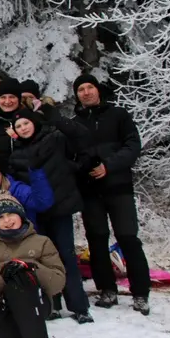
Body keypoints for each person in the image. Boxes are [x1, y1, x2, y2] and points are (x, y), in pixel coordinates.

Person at [72, 74, 150, 315]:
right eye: (81, 89)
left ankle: (140, 293)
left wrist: (109, 164)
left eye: (89, 87)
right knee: (96, 239)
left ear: (98, 90)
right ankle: (107, 289)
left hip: (119, 187)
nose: (86, 92)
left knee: (128, 239)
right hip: (90, 191)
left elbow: (132, 146)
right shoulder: (75, 123)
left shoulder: (119, 116)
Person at [7, 111, 92, 323]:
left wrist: (54, 116)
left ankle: (79, 306)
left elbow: (80, 135)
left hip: (60, 208)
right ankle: (52, 303)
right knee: (42, 259)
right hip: (35, 212)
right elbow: (13, 180)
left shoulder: (54, 139)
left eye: (26, 123)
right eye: (19, 126)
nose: (23, 128)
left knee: (66, 256)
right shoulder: (16, 152)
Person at [0, 192, 65, 338]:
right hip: (2, 303)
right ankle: (24, 331)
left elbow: (58, 281)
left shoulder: (42, 242)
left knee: (21, 278)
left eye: (10, 214)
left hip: (36, 300)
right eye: (1, 217)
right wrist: (2, 273)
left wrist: (31, 267)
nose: (7, 220)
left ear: (21, 215)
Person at [0, 151, 54, 245]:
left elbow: (43, 203)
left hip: (22, 246)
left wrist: (36, 172)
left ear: (1, 172)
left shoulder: (17, 190)